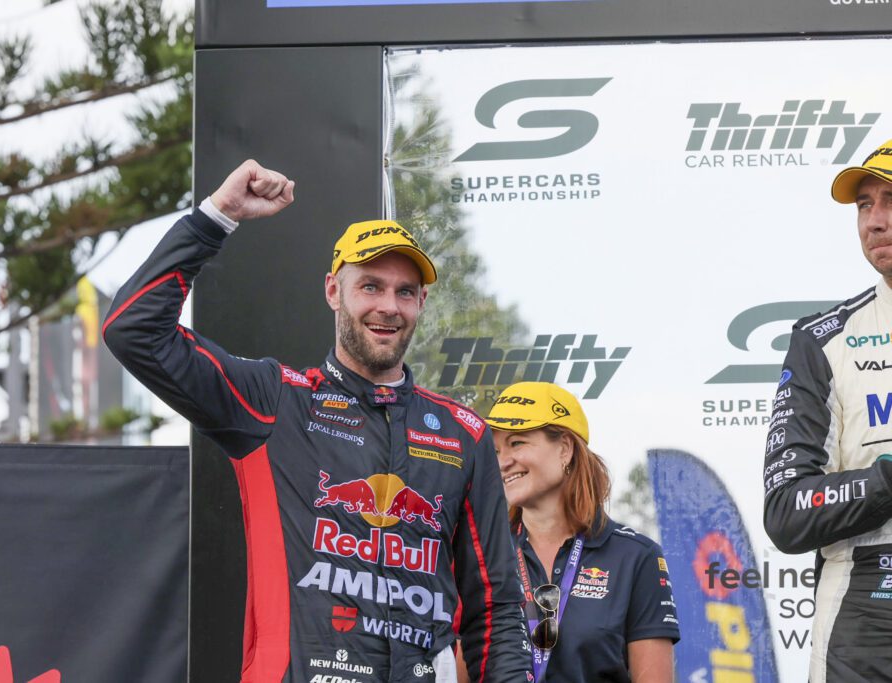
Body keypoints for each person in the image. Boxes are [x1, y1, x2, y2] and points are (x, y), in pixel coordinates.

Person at [102, 159, 531, 682]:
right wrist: (217, 216)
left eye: (404, 292)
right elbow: (134, 331)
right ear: (333, 291)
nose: (388, 307)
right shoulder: (275, 399)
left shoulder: (463, 433)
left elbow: (496, 610)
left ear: (421, 302)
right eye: (370, 286)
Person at [763, 138, 892, 682]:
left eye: (890, 201)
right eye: (865, 205)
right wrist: (885, 481)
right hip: (866, 605)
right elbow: (787, 512)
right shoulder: (823, 341)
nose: (874, 221)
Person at [457, 381, 679, 683]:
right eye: (494, 450)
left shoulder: (635, 556)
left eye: (517, 443)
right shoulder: (482, 556)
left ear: (565, 448)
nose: (503, 462)